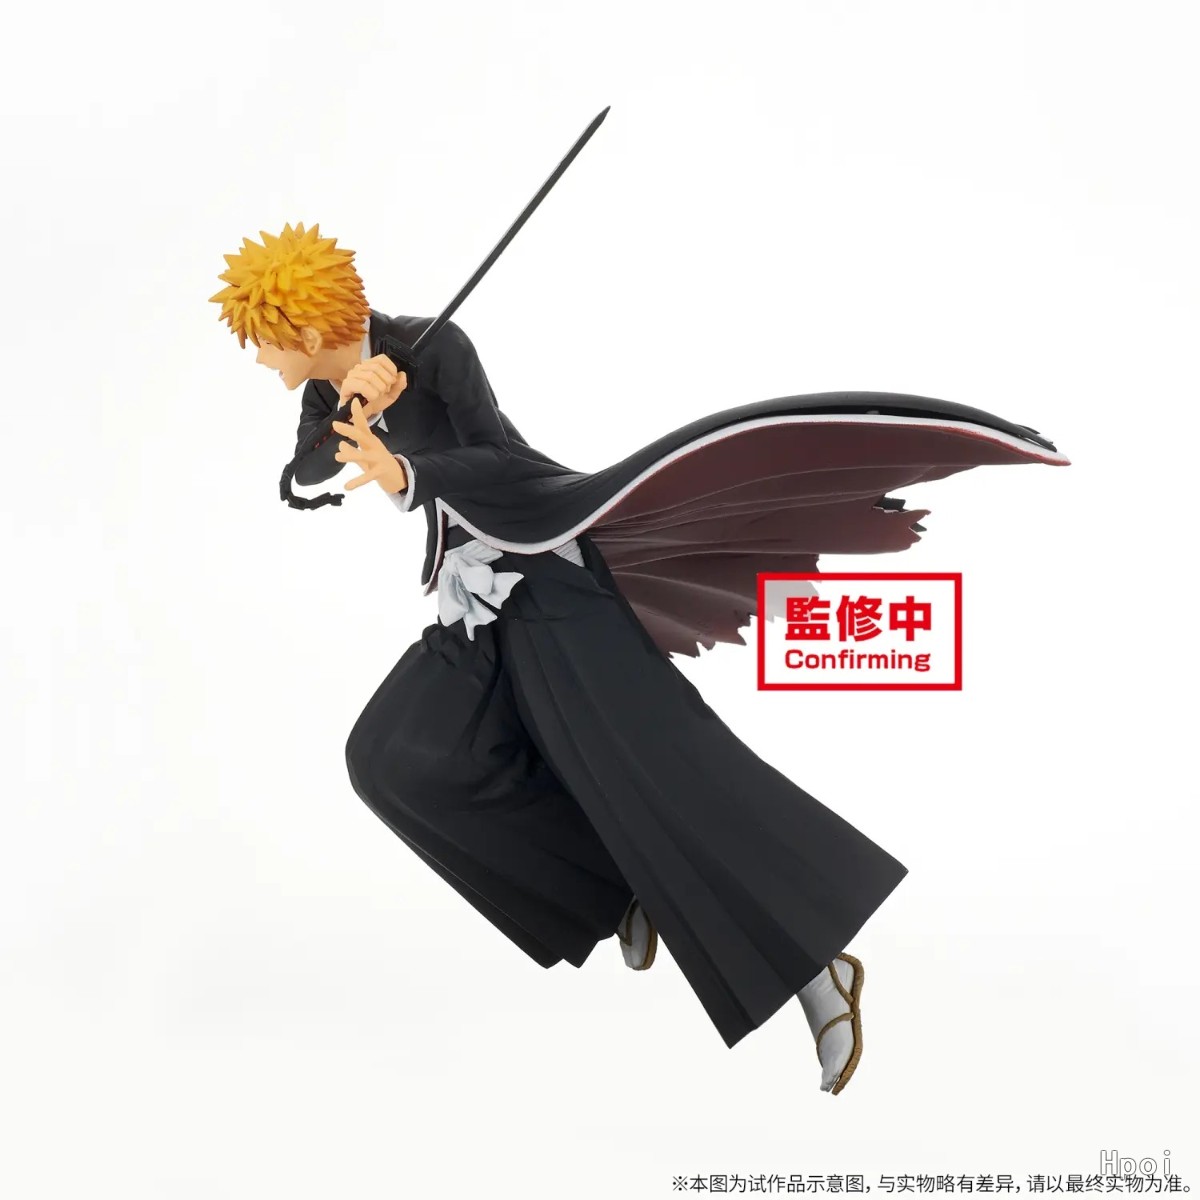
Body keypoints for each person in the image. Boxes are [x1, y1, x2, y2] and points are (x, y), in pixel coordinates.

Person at [211, 222, 1067, 1093]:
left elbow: (498, 457)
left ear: (306, 330)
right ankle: (617, 889)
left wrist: (411, 472)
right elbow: (302, 476)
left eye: (265, 344)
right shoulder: (329, 390)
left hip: (549, 580)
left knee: (665, 774)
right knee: (391, 759)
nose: (262, 361)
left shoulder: (437, 347)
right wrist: (354, 411)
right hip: (472, 603)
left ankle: (819, 969)